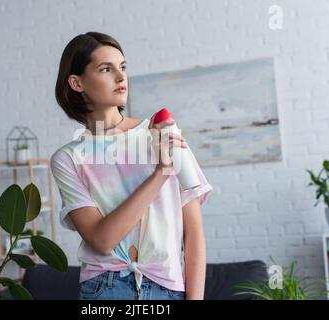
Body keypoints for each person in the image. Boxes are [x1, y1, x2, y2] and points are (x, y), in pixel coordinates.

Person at [50, 31, 213, 300]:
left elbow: (194, 232)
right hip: (105, 288)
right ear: (77, 83)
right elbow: (102, 240)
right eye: (106, 68)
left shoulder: (161, 132)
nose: (120, 76)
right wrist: (160, 173)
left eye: (122, 67)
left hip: (167, 288)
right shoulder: (69, 158)